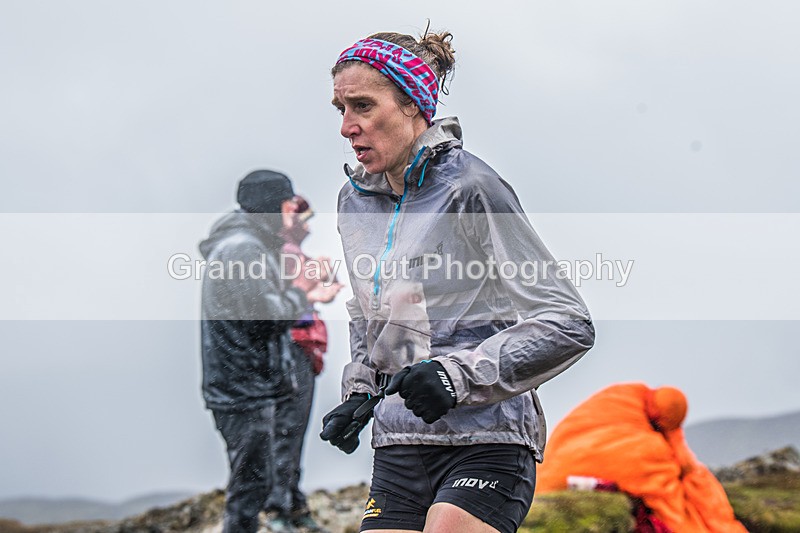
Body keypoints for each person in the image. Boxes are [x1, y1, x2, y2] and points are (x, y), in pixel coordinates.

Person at [320, 29, 595, 533]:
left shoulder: (471, 187)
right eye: (340, 108)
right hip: (400, 442)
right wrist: (359, 390)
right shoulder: (353, 200)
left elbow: (567, 323)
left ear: (412, 105)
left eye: (362, 105)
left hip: (487, 441)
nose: (346, 126)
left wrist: (455, 375)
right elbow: (370, 311)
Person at [200, 170, 340, 533]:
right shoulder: (243, 248)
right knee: (249, 490)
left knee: (253, 483)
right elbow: (267, 319)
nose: (295, 213)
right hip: (244, 389)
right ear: (274, 206)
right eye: (289, 204)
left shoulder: (248, 244)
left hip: (247, 385)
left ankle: (280, 512)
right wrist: (305, 290)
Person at [536, 383, 747, 533]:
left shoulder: (619, 396)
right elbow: (665, 494)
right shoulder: (646, 448)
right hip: (562, 490)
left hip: (542, 482)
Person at [265, 195, 340, 533]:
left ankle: (291, 501)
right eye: (303, 217)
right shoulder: (282, 253)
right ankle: (278, 507)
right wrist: (314, 290)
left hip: (301, 350)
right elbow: (284, 304)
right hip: (292, 348)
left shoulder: (289, 253)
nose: (309, 225)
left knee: (293, 428)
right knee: (286, 428)